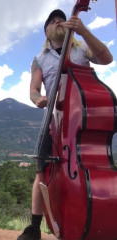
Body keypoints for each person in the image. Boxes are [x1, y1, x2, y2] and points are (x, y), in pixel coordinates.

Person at [18, 9, 113, 240]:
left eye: (61, 18)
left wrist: (83, 30)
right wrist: (37, 99)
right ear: (46, 32)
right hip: (55, 123)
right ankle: (34, 227)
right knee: (42, 173)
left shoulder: (82, 49)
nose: (57, 20)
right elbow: (33, 90)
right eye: (52, 21)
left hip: (83, 122)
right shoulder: (39, 59)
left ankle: (87, 218)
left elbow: (107, 58)